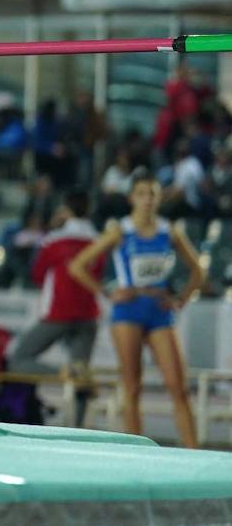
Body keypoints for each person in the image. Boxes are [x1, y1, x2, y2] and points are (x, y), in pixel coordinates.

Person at [67, 173, 206, 447]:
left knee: (178, 388)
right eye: (142, 193)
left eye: (153, 193)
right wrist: (107, 292)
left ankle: (194, 453)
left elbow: (199, 271)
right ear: (132, 198)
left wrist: (180, 299)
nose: (147, 199)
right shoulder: (121, 230)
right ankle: (139, 454)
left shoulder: (170, 230)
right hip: (128, 311)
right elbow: (77, 266)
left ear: (160, 197)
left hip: (159, 310)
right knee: (132, 387)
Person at [8, 190, 103, 423]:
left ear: (65, 210)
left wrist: (51, 228)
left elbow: (37, 274)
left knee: (19, 360)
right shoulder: (98, 240)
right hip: (88, 313)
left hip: (58, 312)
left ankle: (62, 373)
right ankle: (77, 426)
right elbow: (98, 274)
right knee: (82, 371)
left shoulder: (53, 240)